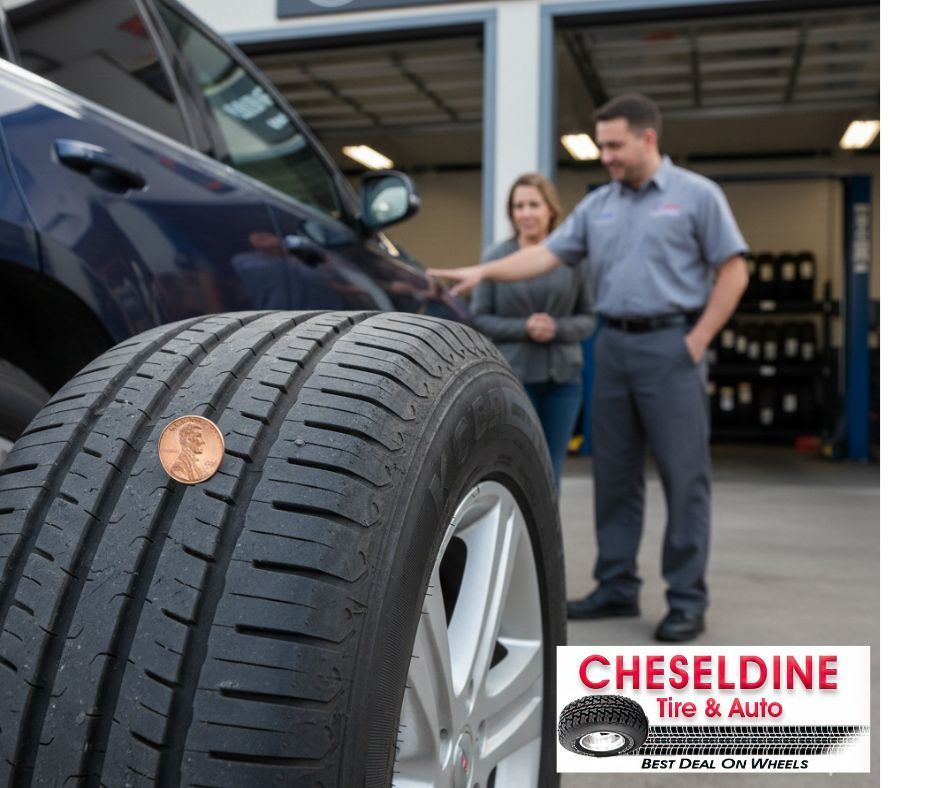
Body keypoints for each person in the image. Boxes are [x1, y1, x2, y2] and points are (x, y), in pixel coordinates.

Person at [430, 93, 749, 642]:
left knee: (683, 477)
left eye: (614, 144)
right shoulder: (599, 206)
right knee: (615, 476)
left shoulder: (696, 196)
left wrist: (696, 340)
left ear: (648, 138)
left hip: (671, 346)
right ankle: (617, 584)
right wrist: (481, 272)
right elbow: (547, 254)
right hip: (614, 349)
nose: (605, 155)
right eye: (601, 145)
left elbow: (734, 270)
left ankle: (687, 599)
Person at [472, 173, 594, 487]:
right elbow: (480, 318)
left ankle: (546, 537)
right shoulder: (496, 257)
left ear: (550, 209)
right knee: (514, 464)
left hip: (563, 379)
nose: (525, 213)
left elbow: (589, 318)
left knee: (550, 470)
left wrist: (557, 327)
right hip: (514, 377)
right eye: (518, 206)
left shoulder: (574, 259)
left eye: (533, 205)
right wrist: (524, 327)